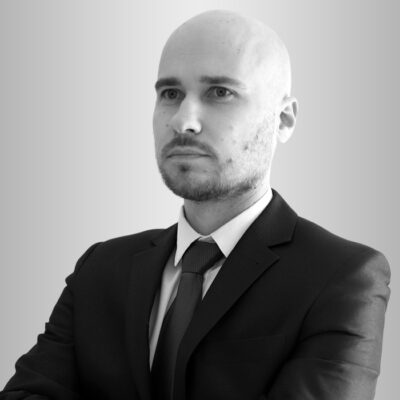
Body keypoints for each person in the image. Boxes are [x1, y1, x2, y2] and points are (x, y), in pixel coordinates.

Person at [0, 9, 391, 400]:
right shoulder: (100, 269)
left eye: (220, 92)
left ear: (283, 120)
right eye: (170, 94)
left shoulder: (343, 278)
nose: (183, 121)